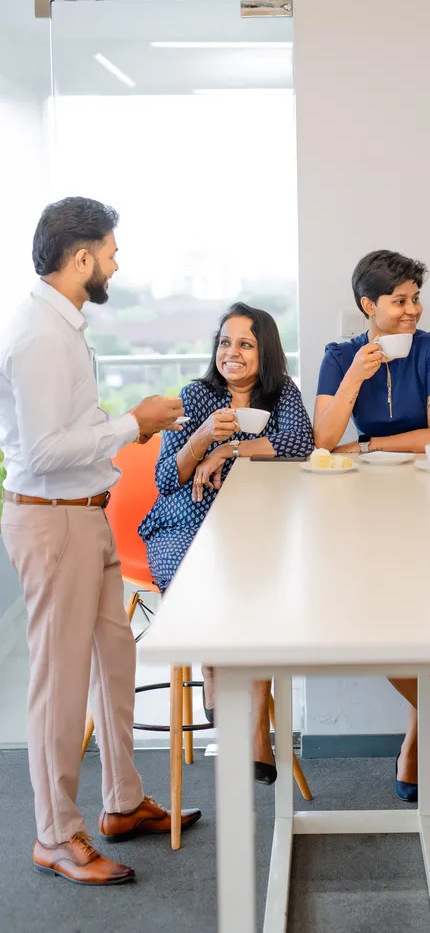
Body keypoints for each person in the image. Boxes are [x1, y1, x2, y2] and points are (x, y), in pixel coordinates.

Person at [0, 197, 201, 887]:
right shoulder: (39, 335)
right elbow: (45, 451)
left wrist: (132, 427)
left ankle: (120, 803)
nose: (117, 262)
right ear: (80, 256)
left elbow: (66, 433)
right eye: (111, 251)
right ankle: (55, 836)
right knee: (59, 687)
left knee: (114, 660)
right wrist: (132, 422)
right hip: (53, 519)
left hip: (86, 514)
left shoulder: (61, 328)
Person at [139, 302, 314, 785]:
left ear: (266, 351)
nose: (231, 353)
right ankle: (217, 671)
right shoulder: (197, 396)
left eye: (245, 344)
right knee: (212, 584)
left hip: (254, 526)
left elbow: (302, 441)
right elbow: (165, 479)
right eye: (225, 342)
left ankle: (252, 712)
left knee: (263, 584)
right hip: (186, 523)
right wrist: (200, 440)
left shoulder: (281, 396)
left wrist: (228, 448)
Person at [314, 249, 430, 801]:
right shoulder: (340, 356)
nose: (412, 311)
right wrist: (356, 373)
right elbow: (324, 439)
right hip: (365, 502)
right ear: (367, 306)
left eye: (415, 298)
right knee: (368, 619)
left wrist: (370, 442)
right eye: (399, 301)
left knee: (420, 617)